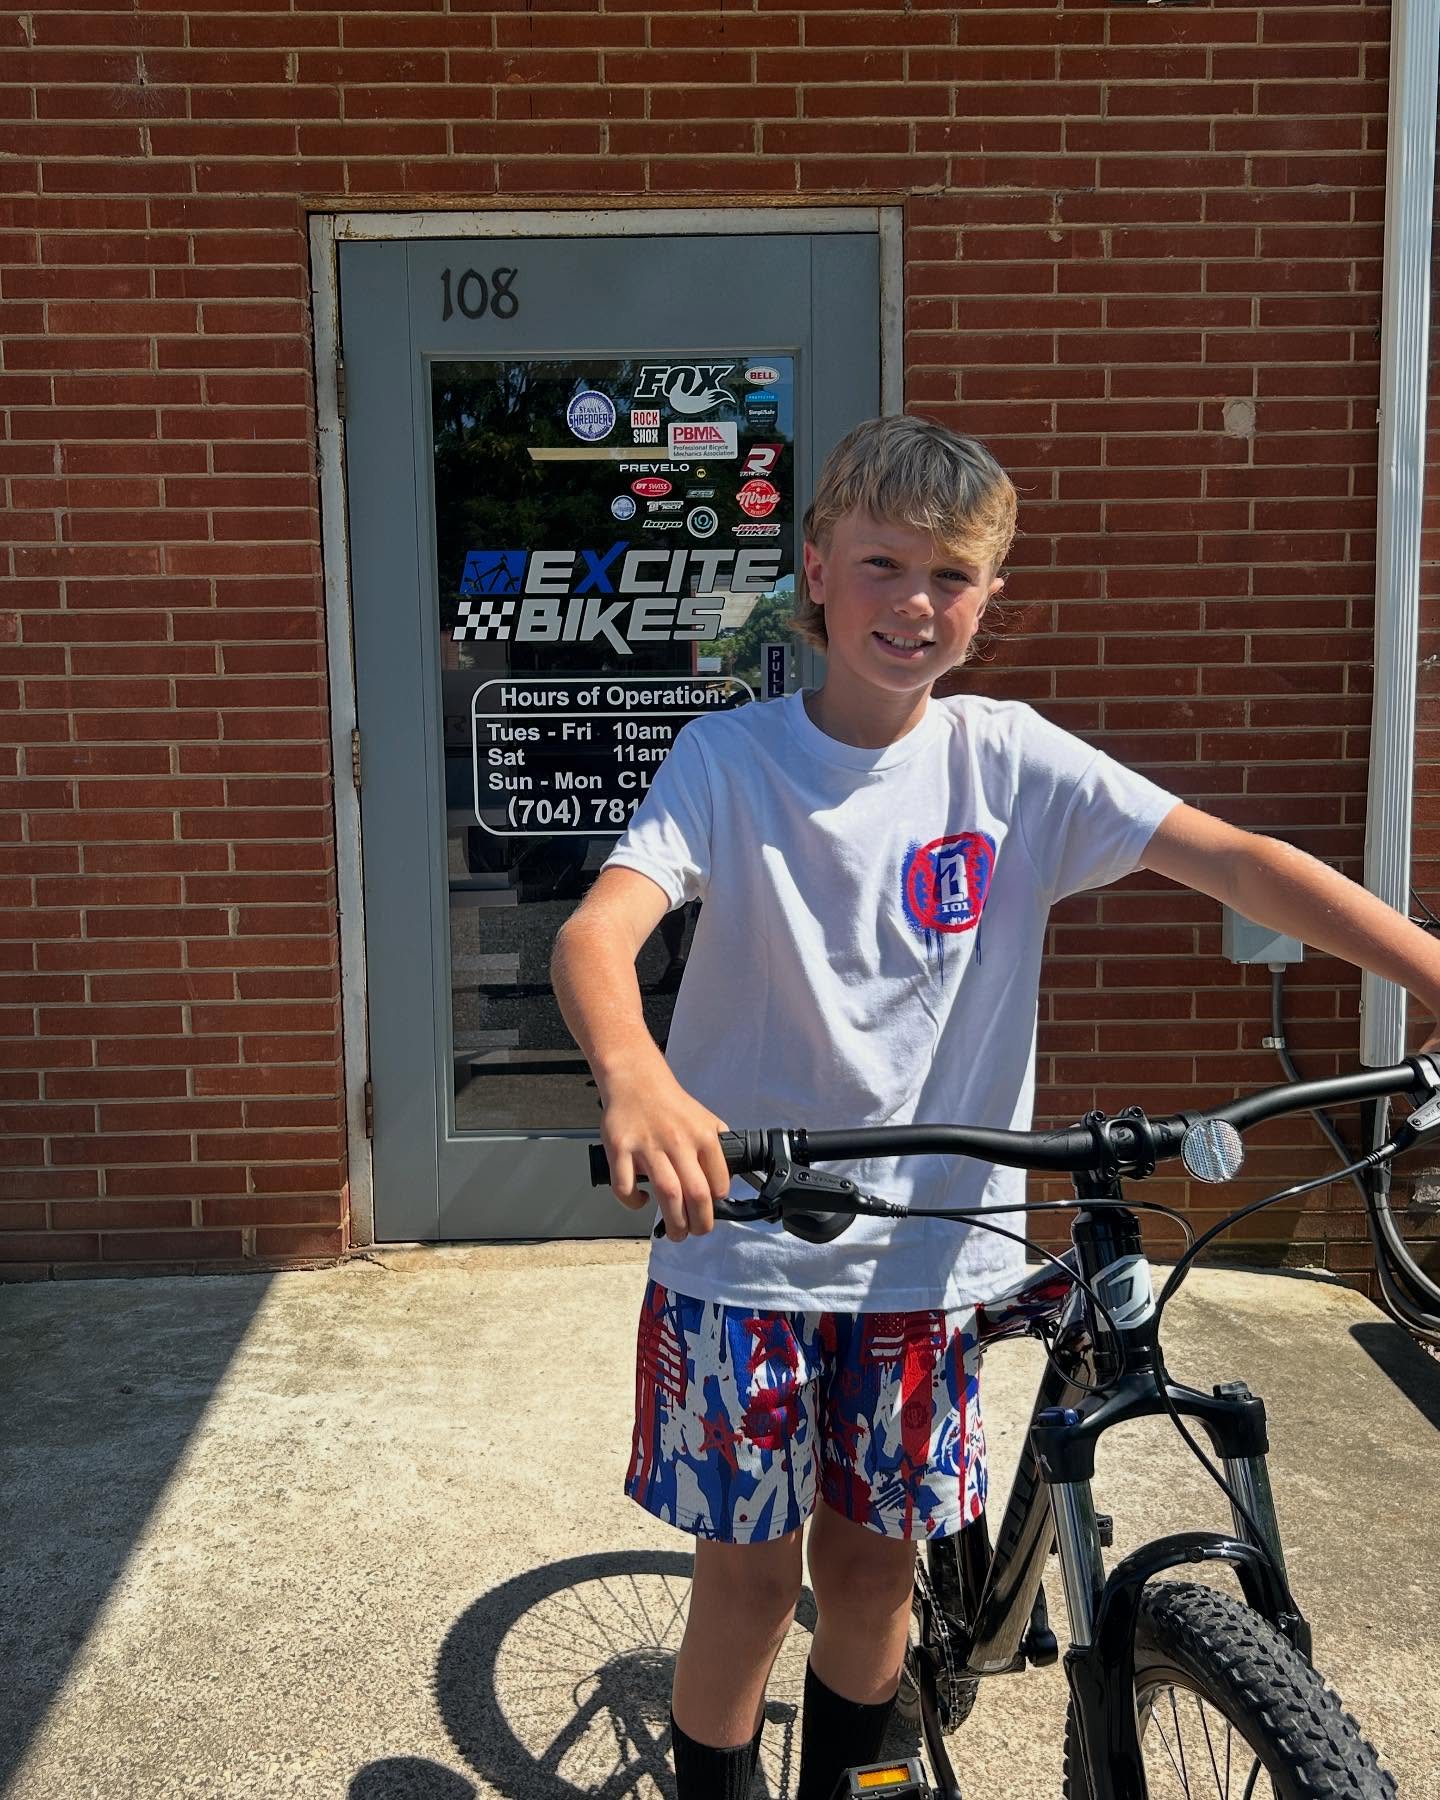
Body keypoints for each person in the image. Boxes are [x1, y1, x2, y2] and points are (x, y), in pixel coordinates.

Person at [550, 414, 1440, 1800]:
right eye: (885, 565)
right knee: (748, 1580)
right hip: (748, 1243)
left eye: (952, 577)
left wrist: (1430, 969)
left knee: (871, 1574)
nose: (916, 603)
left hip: (927, 1255)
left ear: (989, 601)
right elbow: (599, 936)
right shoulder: (729, 765)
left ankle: (858, 1782)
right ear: (819, 576)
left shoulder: (1008, 759)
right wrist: (640, 1076)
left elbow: (1242, 863)